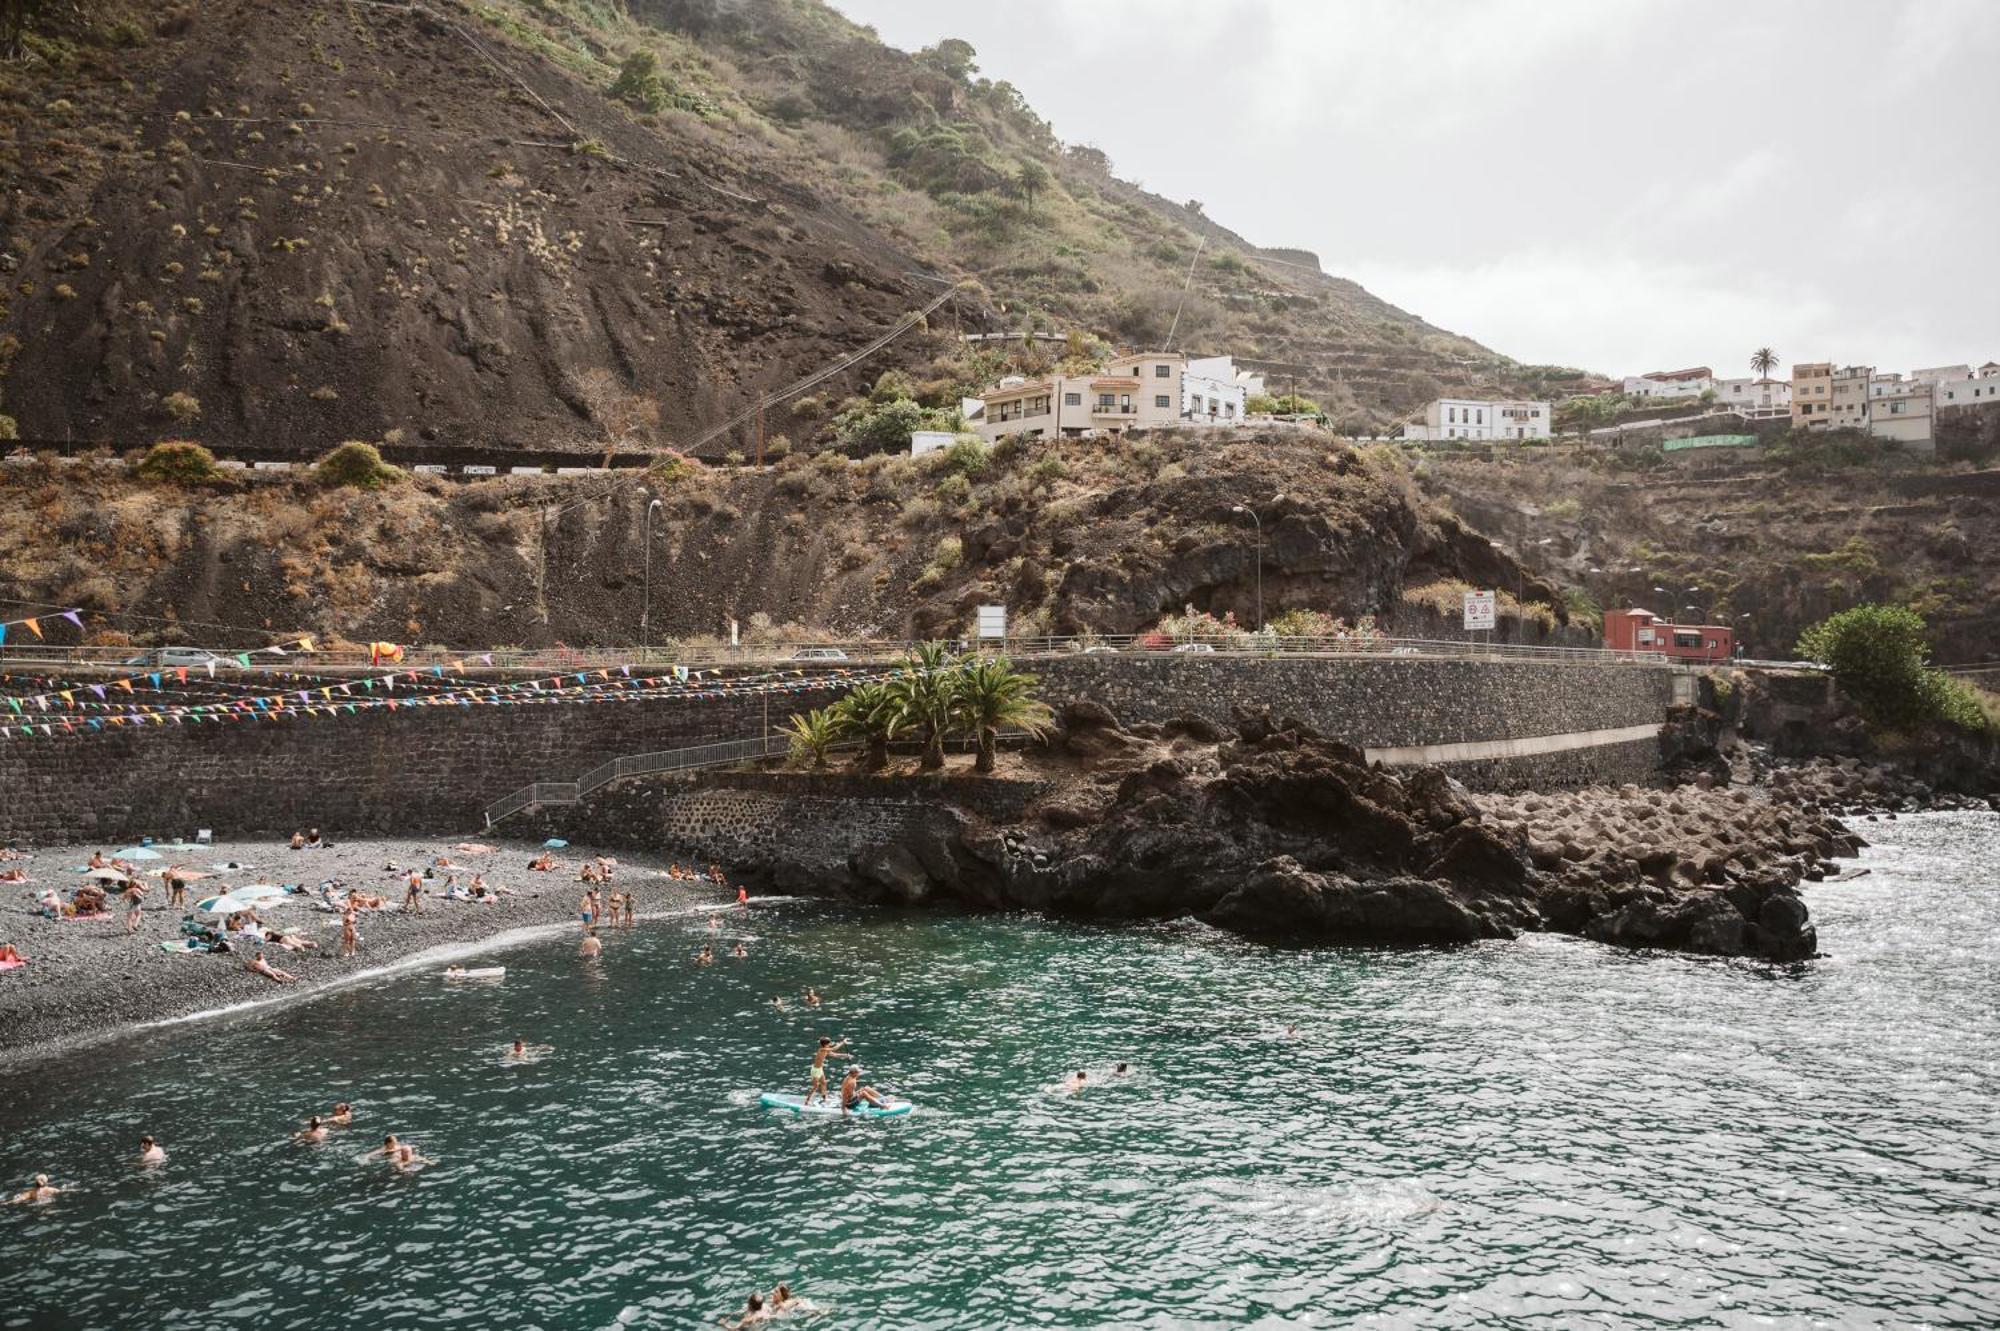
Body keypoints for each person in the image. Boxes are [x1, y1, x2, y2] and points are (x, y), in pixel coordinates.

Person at [805, 1036, 850, 1105]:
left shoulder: (826, 1050)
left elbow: (835, 1055)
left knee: (824, 1083)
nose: (830, 1044)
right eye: (829, 1043)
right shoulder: (822, 1049)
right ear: (825, 1044)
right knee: (815, 1086)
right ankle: (807, 1100)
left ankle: (824, 1099)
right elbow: (834, 1049)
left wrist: (845, 1055)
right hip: (815, 1070)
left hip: (820, 1069)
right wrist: (843, 1042)